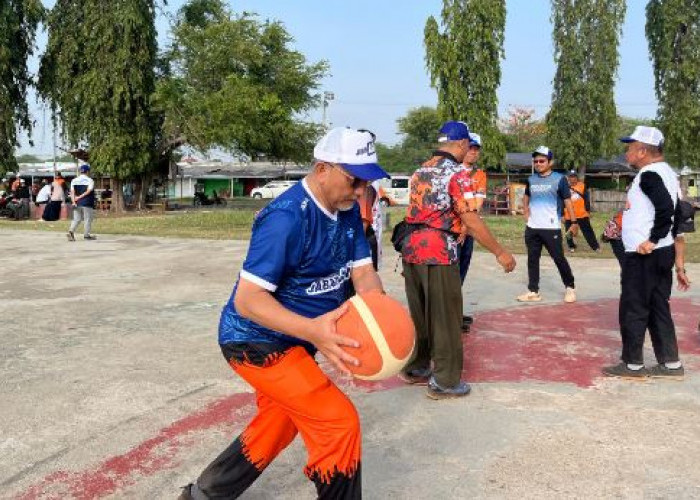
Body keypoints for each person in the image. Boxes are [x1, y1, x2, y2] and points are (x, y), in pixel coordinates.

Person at [179, 128, 389, 500]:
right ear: (323, 168)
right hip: (255, 340)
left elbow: (362, 271)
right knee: (338, 424)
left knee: (278, 421)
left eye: (366, 181)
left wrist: (378, 316)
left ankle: (204, 494)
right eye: (354, 179)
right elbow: (249, 300)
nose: (360, 190)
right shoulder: (286, 218)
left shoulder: (347, 212)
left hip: (299, 338)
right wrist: (316, 332)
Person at [399, 121, 516, 400]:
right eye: (469, 146)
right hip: (439, 251)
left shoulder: (419, 171)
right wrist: (500, 251)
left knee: (422, 313)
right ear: (461, 144)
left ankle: (417, 367)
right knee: (447, 318)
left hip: (411, 251)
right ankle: (445, 381)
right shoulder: (457, 174)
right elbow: (470, 219)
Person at [603, 126, 687, 379]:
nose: (626, 152)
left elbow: (667, 211)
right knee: (658, 306)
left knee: (634, 306)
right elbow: (680, 212)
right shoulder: (668, 173)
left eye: (630, 147)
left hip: (645, 255)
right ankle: (671, 364)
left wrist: (652, 239)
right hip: (662, 253)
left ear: (642, 151)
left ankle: (632, 365)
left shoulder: (650, 174)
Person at [517, 146, 578, 303]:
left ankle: (570, 287)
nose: (538, 163)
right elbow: (526, 196)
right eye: (536, 161)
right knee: (532, 259)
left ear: (550, 162)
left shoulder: (559, 179)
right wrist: (526, 211)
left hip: (551, 227)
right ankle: (533, 291)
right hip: (532, 228)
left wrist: (573, 221)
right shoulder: (531, 179)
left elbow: (567, 201)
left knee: (558, 258)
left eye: (542, 161)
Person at [457, 132, 488, 331]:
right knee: (447, 274)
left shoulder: (479, 175)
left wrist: (466, 227)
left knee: (460, 272)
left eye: (476, 149)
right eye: (470, 148)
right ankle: (446, 316)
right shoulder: (452, 171)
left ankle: (454, 313)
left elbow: (477, 203)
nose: (473, 153)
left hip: (468, 230)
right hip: (451, 231)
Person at [563, 171, 600, 253]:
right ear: (568, 178)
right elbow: (562, 201)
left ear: (577, 178)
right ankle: (571, 246)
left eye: (574, 177)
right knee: (569, 232)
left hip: (581, 214)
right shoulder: (564, 187)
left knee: (588, 232)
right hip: (569, 214)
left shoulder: (582, 186)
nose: (573, 179)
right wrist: (562, 214)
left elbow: (586, 199)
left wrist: (588, 211)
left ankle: (595, 247)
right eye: (571, 177)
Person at [68, 164, 97, 241]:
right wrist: (80, 197)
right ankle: (86, 235)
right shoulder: (90, 180)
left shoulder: (74, 180)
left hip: (77, 203)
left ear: (80, 171)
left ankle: (71, 231)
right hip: (87, 202)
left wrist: (74, 201)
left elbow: (72, 192)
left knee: (76, 219)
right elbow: (88, 191)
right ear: (87, 171)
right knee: (88, 219)